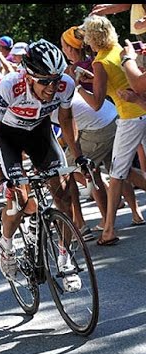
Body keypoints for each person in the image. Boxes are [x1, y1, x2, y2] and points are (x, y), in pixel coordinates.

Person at [0, 39, 90, 290]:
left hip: (40, 134)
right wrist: (1, 181)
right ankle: (6, 246)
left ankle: (65, 257)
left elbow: (66, 119)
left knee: (65, 194)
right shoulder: (10, 86)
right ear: (28, 77)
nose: (52, 87)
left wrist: (78, 157)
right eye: (44, 81)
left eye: (55, 79)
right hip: (8, 137)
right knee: (18, 199)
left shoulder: (66, 85)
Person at [78, 15, 146, 245]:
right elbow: (117, 80)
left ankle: (108, 230)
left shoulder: (99, 62)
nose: (86, 42)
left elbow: (96, 103)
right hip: (142, 111)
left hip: (130, 117)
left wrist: (77, 86)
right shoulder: (118, 49)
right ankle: (126, 219)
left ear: (92, 38)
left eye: (87, 37)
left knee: (116, 175)